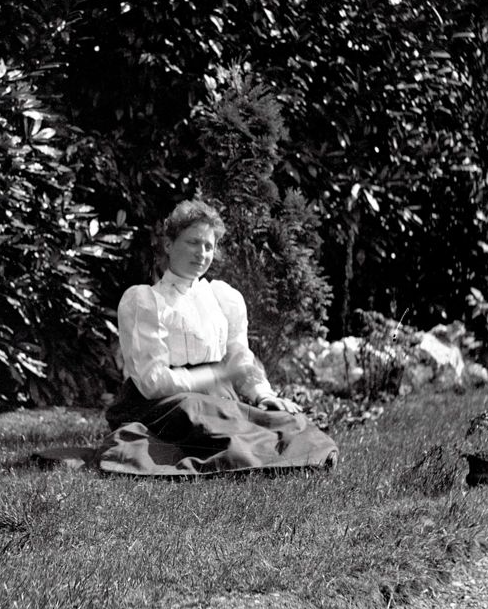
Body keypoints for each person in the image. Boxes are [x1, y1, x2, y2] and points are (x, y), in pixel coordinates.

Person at [95, 199, 339, 477]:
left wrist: (263, 394)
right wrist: (218, 373)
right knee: (204, 414)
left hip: (216, 399)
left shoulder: (223, 297)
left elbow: (240, 356)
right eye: (192, 242)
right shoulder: (146, 300)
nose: (202, 253)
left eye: (209, 246)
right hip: (161, 405)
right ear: (168, 245)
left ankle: (273, 450)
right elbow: (152, 383)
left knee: (285, 424)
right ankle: (252, 454)